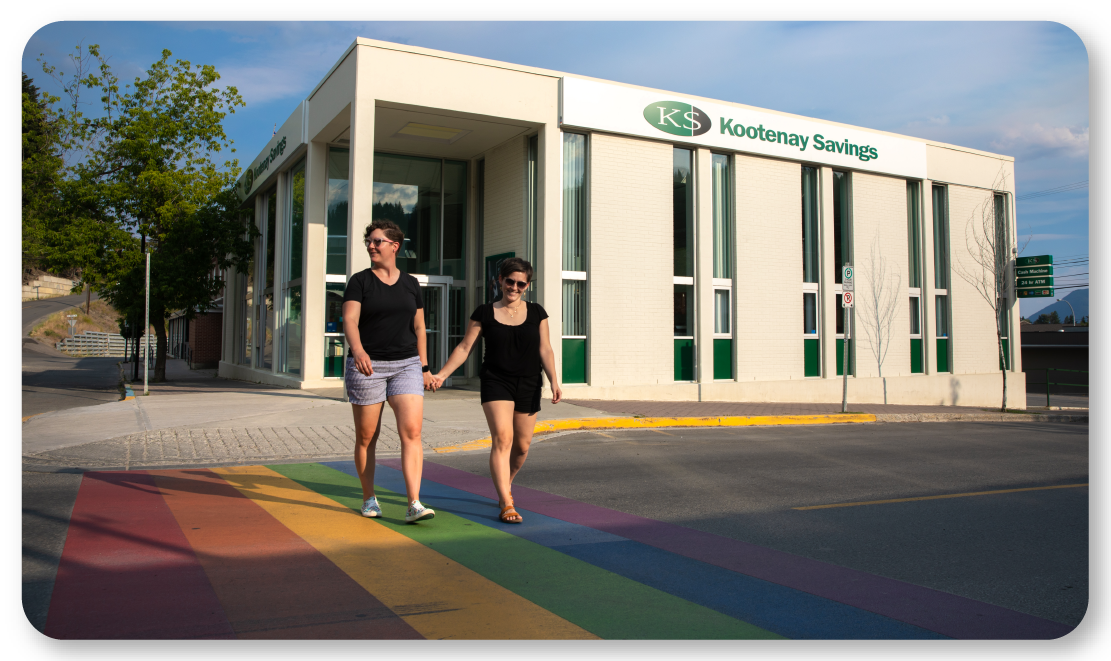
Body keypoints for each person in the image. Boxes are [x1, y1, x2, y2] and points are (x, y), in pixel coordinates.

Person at [431, 257, 561, 524]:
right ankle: (505, 501)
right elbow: (465, 347)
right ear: (500, 281)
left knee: (522, 447)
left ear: (527, 285)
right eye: (510, 281)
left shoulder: (537, 312)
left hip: (529, 382)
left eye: (521, 283)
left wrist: (554, 381)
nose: (514, 287)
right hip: (496, 380)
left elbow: (545, 349)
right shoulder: (484, 312)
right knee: (503, 438)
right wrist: (442, 374)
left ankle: (506, 483)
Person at [342, 220, 437, 523]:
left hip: (406, 364)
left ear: (395, 246)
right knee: (367, 436)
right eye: (368, 241)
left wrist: (424, 366)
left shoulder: (410, 283)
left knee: (412, 432)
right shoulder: (360, 281)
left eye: (377, 241)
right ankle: (369, 497)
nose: (371, 246)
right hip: (368, 366)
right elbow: (350, 321)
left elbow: (420, 327)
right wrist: (358, 351)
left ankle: (414, 503)